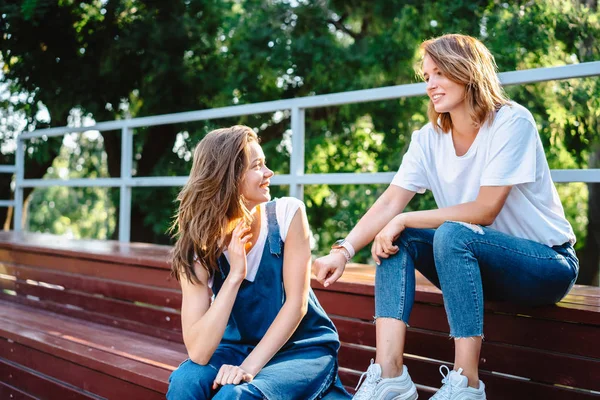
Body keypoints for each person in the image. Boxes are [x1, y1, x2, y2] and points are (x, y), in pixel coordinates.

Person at [313, 34, 579, 400]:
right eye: (426, 77)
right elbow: (392, 201)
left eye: (439, 73)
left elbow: (485, 210)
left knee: (450, 233)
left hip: (544, 265)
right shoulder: (427, 138)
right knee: (399, 240)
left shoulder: (512, 122)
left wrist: (408, 218)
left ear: (467, 71)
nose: (431, 85)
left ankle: (466, 385)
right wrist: (343, 251)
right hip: (478, 267)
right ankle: (390, 376)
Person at [166, 126, 351, 400]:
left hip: (301, 349)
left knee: (233, 396)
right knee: (185, 383)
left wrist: (247, 368)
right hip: (237, 347)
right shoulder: (198, 246)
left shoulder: (288, 214)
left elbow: (296, 306)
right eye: (257, 166)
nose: (269, 173)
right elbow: (199, 351)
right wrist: (234, 276)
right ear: (229, 178)